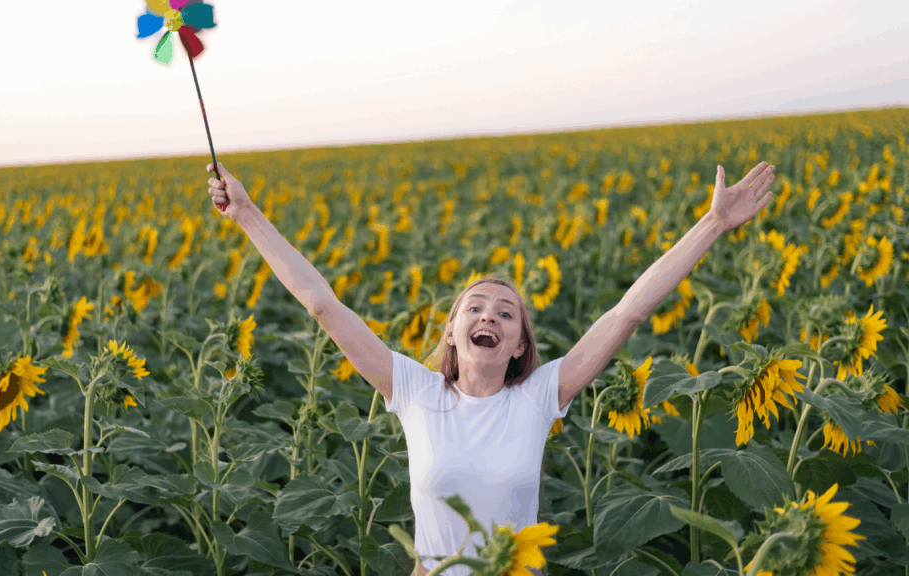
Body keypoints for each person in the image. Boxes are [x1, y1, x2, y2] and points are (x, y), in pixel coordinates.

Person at [206, 159, 776, 576]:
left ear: (519, 345)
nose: (489, 316)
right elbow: (322, 304)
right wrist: (248, 214)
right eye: (474, 307)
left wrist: (712, 225)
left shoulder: (538, 396)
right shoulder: (416, 391)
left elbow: (628, 312)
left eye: (506, 313)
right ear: (453, 333)